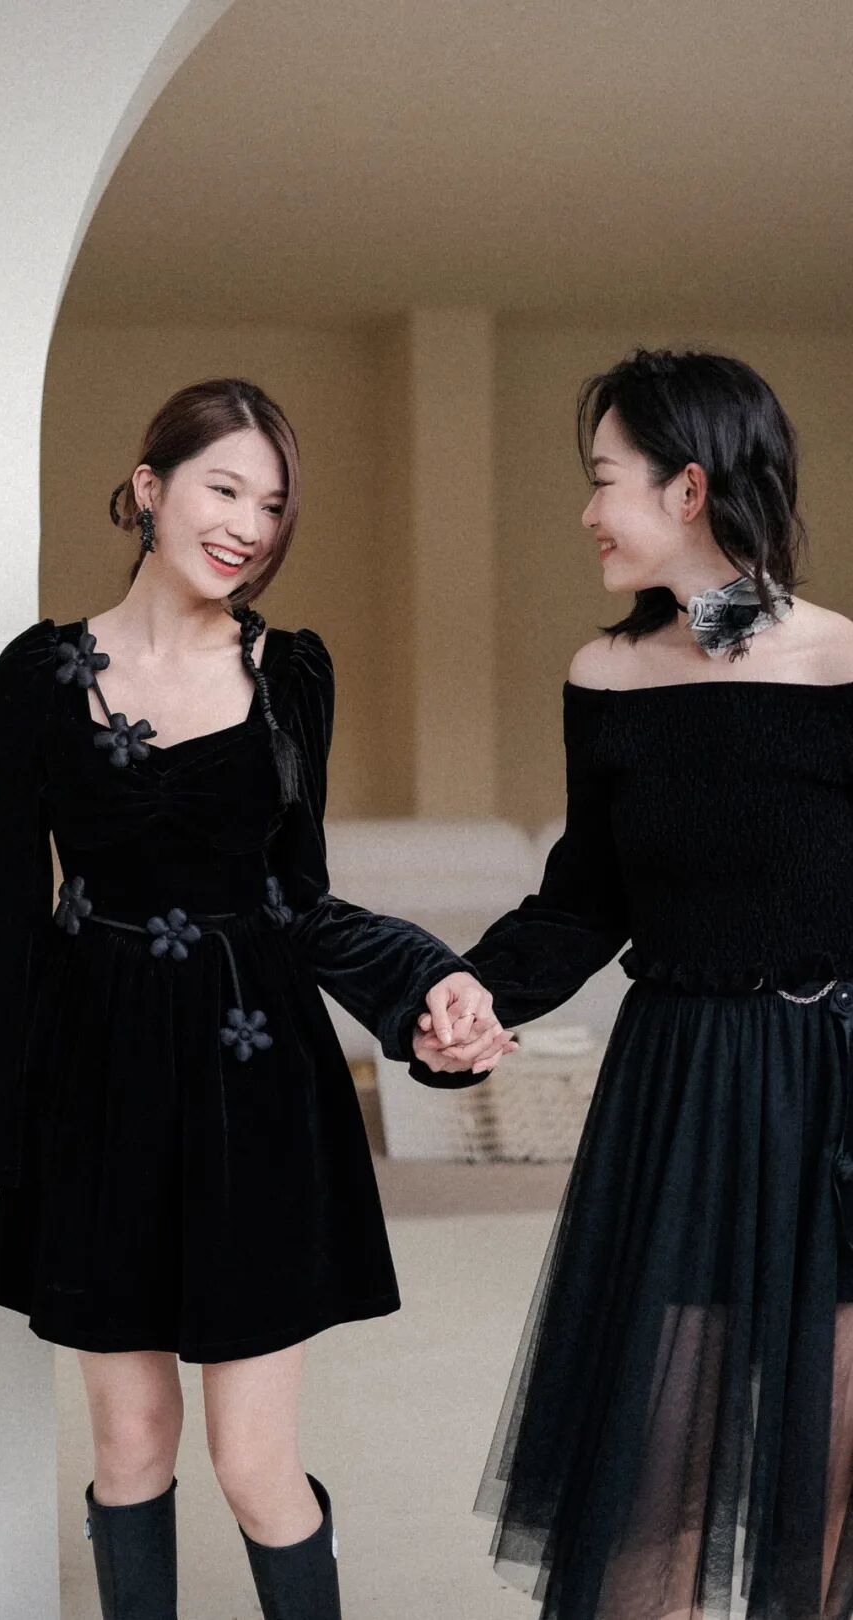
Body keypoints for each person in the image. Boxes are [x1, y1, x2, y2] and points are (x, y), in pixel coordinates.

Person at [0, 377, 510, 1620]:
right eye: (225, 489)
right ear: (150, 489)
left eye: (273, 504)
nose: (249, 525)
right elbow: (8, 922)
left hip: (254, 1080)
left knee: (252, 1464)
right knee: (131, 1441)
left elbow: (300, 898)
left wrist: (425, 981)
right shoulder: (37, 676)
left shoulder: (290, 672)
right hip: (97, 1080)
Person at [410, 348, 853, 1618]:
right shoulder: (606, 679)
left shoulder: (843, 668)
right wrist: (472, 990)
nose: (588, 511)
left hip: (836, 1093)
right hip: (683, 1090)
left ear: (689, 489)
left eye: (605, 479)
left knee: (827, 1482)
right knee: (654, 1480)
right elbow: (584, 899)